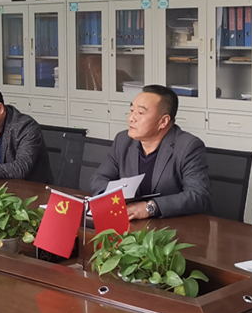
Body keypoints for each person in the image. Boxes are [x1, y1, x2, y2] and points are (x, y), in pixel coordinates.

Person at [89, 85, 211, 219]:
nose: (131, 118)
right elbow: (99, 179)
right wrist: (116, 195)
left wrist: (150, 207)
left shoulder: (188, 146)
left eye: (140, 113)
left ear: (163, 121)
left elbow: (198, 196)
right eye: (132, 110)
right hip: (129, 220)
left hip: (171, 225)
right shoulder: (123, 140)